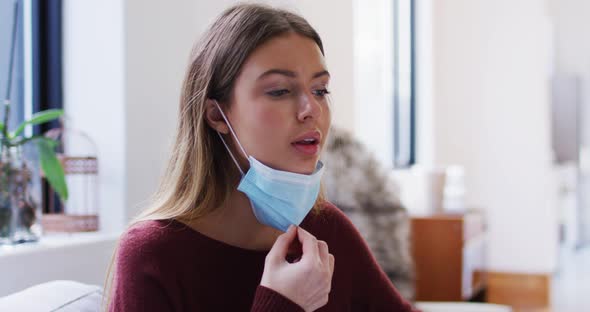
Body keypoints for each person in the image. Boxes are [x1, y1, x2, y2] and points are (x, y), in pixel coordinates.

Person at [107, 3, 418, 312]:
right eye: (280, 91)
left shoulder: (328, 230)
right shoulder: (151, 256)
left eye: (320, 90)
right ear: (216, 114)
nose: (311, 110)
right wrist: (283, 304)